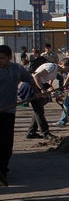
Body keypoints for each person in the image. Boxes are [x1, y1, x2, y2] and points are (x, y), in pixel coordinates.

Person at [0, 45, 42, 187]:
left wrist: (36, 92)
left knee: (6, 143)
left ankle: (3, 171)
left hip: (8, 111)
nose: (0, 61)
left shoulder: (17, 69)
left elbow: (29, 79)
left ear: (10, 57)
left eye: (2, 58)